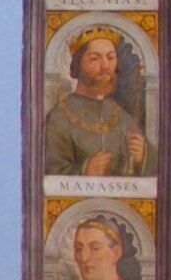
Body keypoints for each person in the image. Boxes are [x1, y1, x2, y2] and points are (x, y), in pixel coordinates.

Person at [42, 28, 152, 177]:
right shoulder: (58, 118)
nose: (105, 66)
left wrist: (141, 156)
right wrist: (85, 171)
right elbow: (48, 174)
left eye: (110, 58)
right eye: (95, 58)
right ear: (77, 65)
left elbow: (155, 172)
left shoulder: (121, 116)